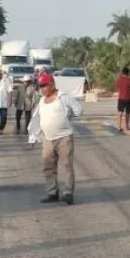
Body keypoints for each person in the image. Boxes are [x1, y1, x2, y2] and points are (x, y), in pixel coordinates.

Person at [28, 72, 84, 205]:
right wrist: (33, 136)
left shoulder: (63, 97)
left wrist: (69, 116)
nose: (41, 88)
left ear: (52, 85)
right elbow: (36, 119)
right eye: (40, 86)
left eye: (44, 85)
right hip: (47, 139)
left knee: (67, 166)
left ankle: (68, 193)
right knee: (48, 166)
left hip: (64, 138)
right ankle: (52, 192)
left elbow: (78, 110)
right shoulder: (42, 100)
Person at [115, 66, 130, 132]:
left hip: (121, 98)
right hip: (128, 98)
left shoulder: (119, 80)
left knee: (120, 112)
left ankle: (119, 127)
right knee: (127, 113)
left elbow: (118, 88)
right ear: (128, 73)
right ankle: (126, 126)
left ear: (122, 73)